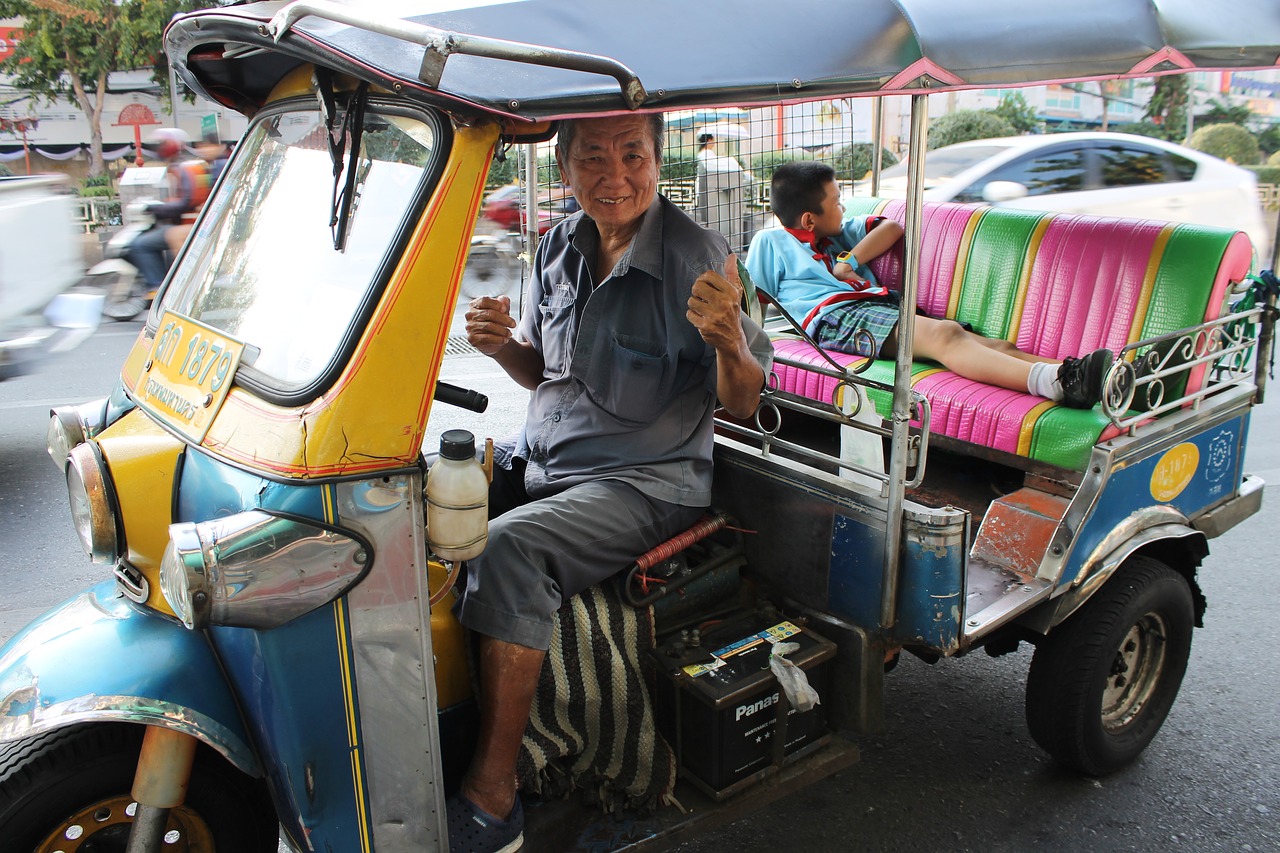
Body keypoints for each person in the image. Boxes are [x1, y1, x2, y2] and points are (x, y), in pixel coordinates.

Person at [453, 113, 772, 853]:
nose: (616, 174)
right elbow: (548, 373)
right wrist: (504, 349)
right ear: (565, 170)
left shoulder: (703, 258)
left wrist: (729, 341)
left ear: (659, 164)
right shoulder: (559, 245)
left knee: (505, 550)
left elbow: (743, 401)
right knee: (417, 503)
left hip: (645, 484)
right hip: (549, 465)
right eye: (593, 157)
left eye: (633, 155)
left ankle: (492, 797)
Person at [745, 160, 1114, 409]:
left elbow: (891, 227)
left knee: (996, 344)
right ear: (810, 219)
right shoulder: (772, 242)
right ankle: (1055, 383)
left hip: (877, 306)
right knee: (945, 336)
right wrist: (755, 353)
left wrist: (849, 262)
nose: (844, 209)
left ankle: (1094, 379)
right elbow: (753, 301)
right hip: (836, 317)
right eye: (838, 202)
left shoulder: (840, 237)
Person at [123, 128, 211, 298]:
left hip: (188, 226)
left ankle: (157, 286)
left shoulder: (185, 168)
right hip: (189, 224)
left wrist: (154, 208)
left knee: (140, 245)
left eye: (161, 144)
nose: (159, 149)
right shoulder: (184, 166)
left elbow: (186, 201)